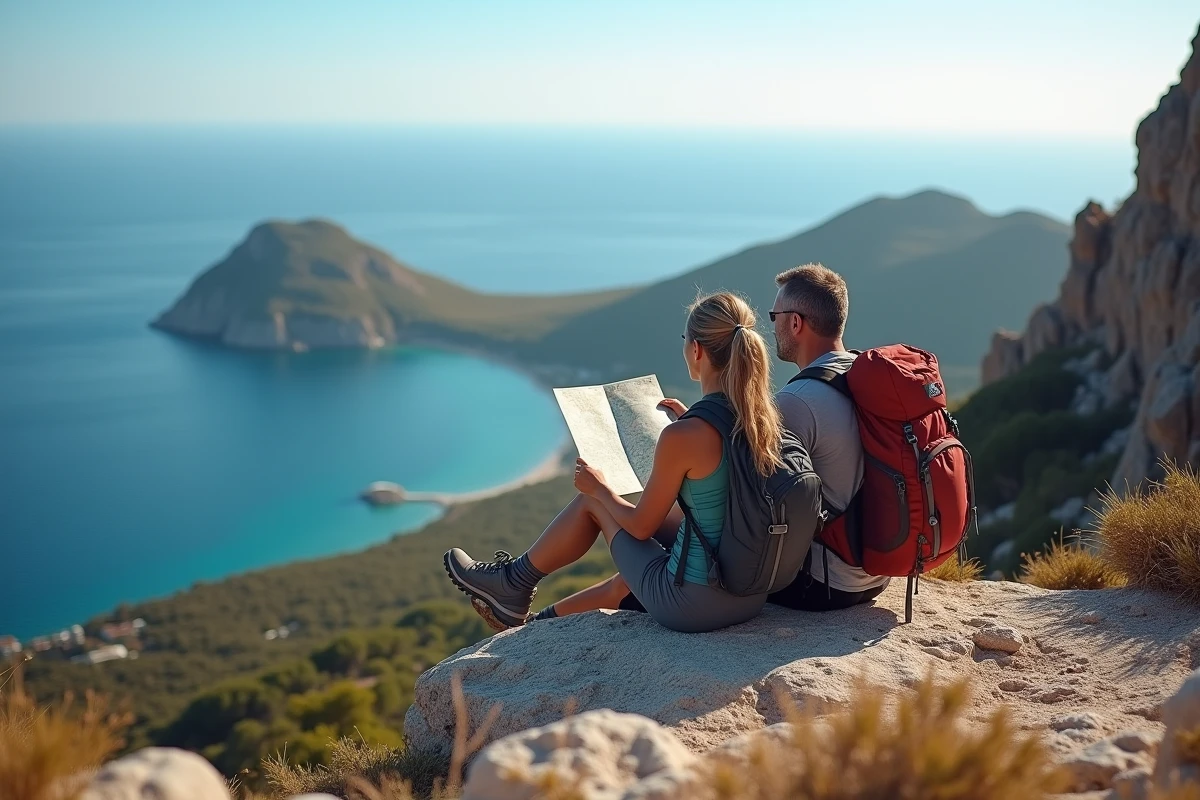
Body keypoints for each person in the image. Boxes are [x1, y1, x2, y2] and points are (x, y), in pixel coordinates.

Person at [442, 291, 783, 633]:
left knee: (593, 502)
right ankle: (530, 627)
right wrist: (690, 421)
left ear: (696, 350)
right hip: (749, 596)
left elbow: (639, 528)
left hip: (696, 605)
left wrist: (601, 489)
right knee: (633, 573)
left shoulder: (687, 436)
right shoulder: (762, 420)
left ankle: (513, 584)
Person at [765, 263, 890, 610]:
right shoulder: (866, 375)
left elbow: (754, 497)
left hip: (820, 585)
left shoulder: (796, 400)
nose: (772, 324)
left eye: (774, 315)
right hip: (875, 575)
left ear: (795, 322)